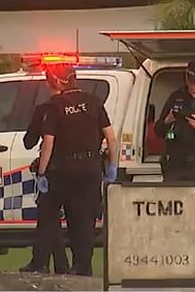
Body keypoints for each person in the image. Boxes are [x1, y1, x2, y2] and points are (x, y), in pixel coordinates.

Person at [36, 63, 118, 276]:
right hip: (91, 168)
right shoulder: (93, 101)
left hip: (66, 169)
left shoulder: (55, 105)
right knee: (86, 220)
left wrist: (42, 172)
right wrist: (112, 165)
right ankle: (83, 266)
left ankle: (72, 267)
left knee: (71, 219)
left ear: (55, 82)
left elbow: (48, 143)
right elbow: (111, 137)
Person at [19, 95, 70, 274]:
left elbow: (29, 142)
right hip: (81, 167)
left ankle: (40, 262)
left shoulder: (46, 109)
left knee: (48, 213)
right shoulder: (86, 105)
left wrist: (41, 171)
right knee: (53, 217)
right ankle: (60, 264)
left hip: (54, 168)